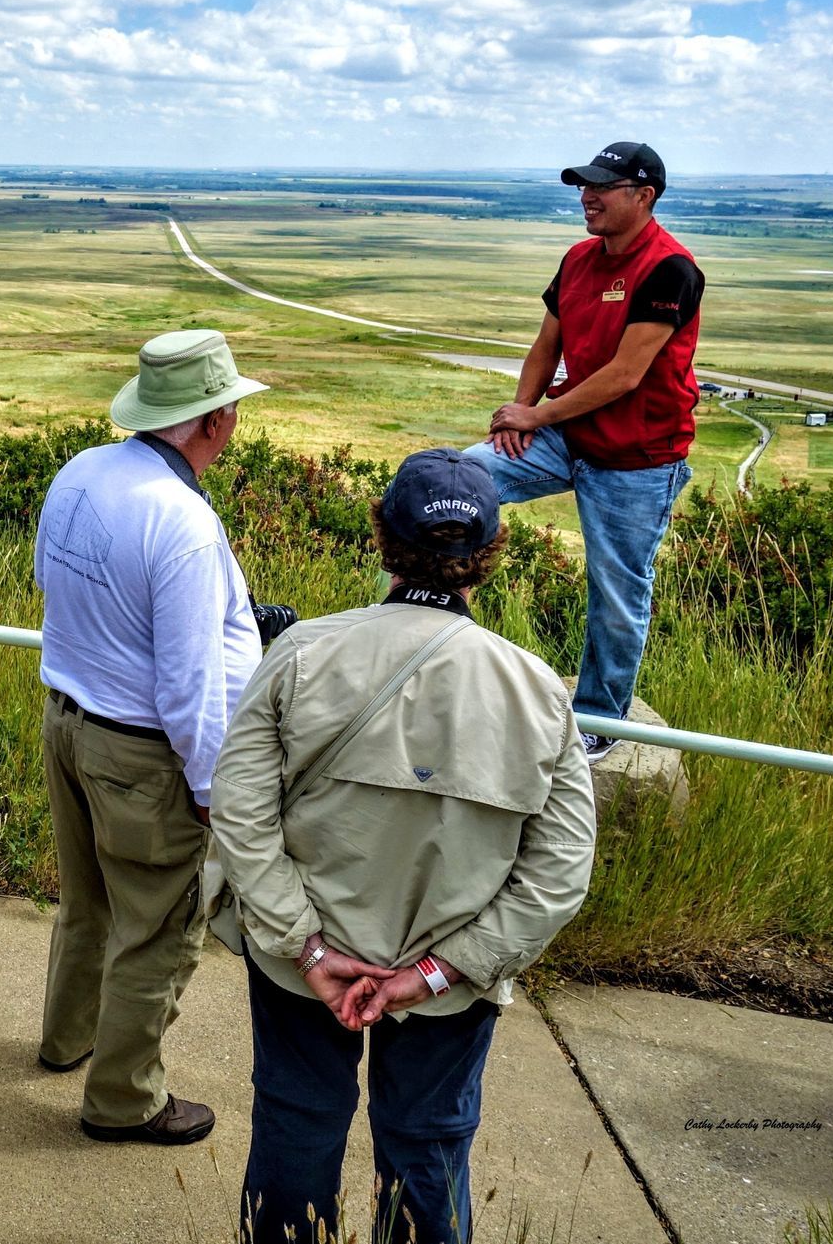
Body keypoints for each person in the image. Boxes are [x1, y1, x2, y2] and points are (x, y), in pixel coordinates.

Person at [209, 448, 596, 1244]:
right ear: (488, 557)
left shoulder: (302, 653)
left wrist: (307, 947)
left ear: (382, 536)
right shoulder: (537, 691)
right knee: (428, 1145)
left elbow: (239, 813)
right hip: (447, 986)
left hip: (300, 964)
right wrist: (438, 968)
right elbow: (558, 875)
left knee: (296, 1122)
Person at [34, 328, 268, 1146]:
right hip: (141, 755)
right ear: (212, 421)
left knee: (88, 902)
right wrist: (212, 793)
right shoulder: (183, 523)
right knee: (160, 928)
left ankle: (68, 1038)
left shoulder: (82, 473)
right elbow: (190, 687)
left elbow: (49, 584)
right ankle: (124, 1098)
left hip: (67, 720)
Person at [464, 142, 705, 762]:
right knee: (459, 480)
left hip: (639, 458)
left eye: (602, 186)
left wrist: (537, 413)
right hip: (567, 435)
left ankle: (601, 720)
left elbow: (625, 375)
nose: (586, 196)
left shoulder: (670, 269)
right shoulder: (577, 259)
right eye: (583, 185)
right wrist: (517, 418)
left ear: (643, 196)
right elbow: (547, 344)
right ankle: (425, 636)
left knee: (618, 592)